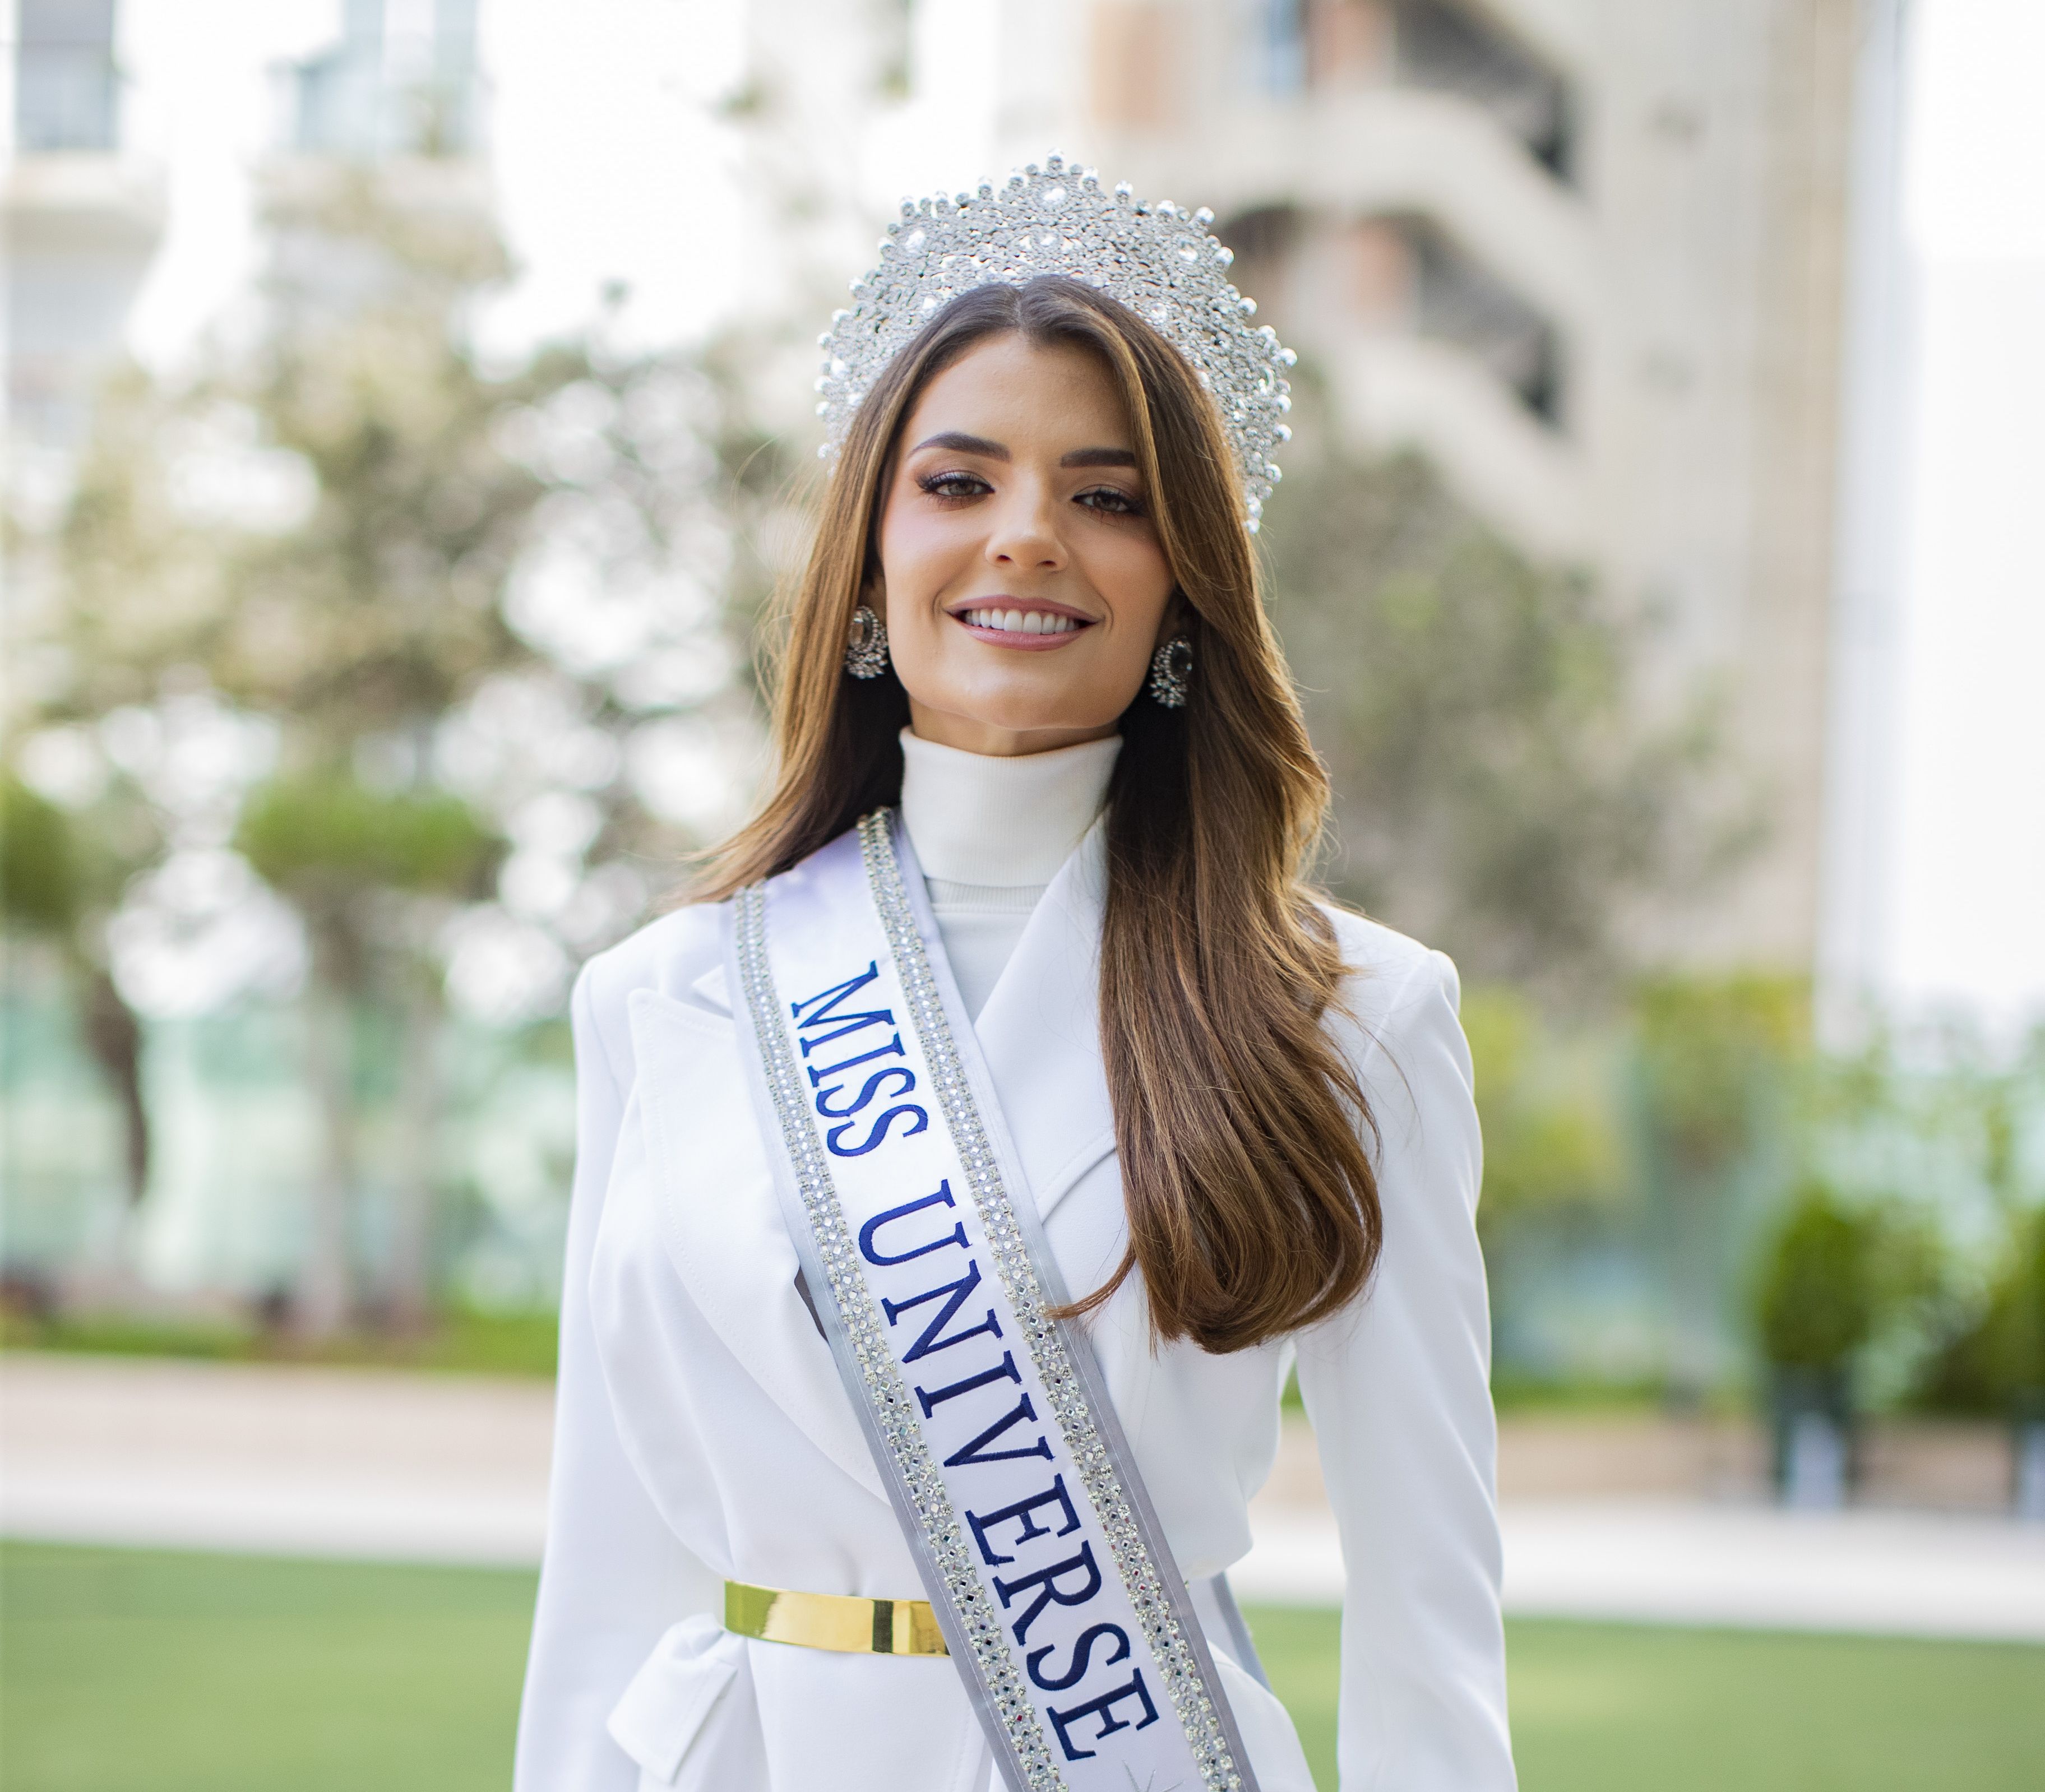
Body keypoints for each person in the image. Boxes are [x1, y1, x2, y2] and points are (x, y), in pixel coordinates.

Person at [515, 161, 1512, 1792]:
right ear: (869, 555)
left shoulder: (1353, 1017)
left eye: (1108, 497)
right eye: (958, 482)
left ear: (1184, 580)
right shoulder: (664, 996)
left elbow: (1428, 1616)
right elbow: (606, 1558)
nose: (1028, 537)